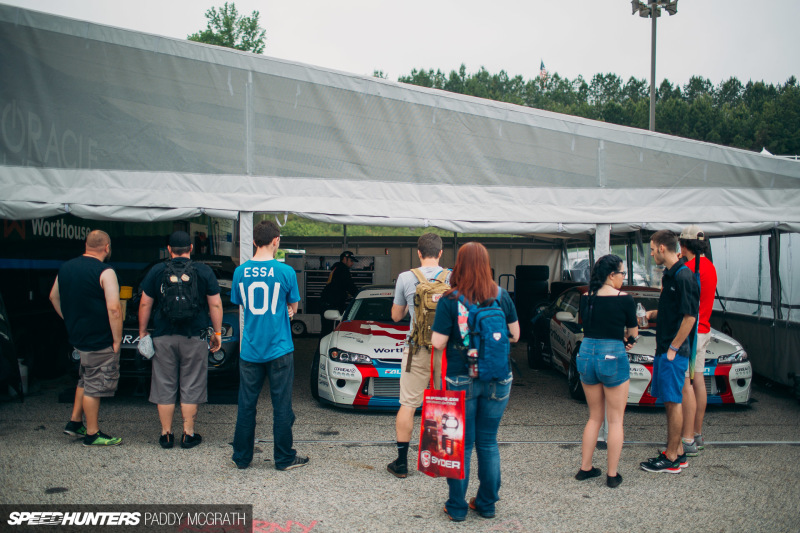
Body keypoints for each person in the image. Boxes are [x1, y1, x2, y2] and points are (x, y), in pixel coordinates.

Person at [431, 242, 520, 522]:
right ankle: (486, 504)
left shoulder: (450, 299)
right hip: (498, 378)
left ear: (459, 264)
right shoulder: (501, 295)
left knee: (460, 444)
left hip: (460, 379)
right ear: (485, 264)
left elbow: (437, 342)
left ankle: (456, 507)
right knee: (488, 443)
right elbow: (515, 335)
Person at [230, 220, 308, 471]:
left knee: (246, 405)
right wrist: (286, 311)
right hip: (279, 348)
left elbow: (241, 302)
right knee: (282, 406)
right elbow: (293, 308)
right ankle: (284, 458)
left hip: (250, 349)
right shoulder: (286, 272)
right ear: (276, 241)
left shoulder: (240, 271)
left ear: (254, 241)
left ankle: (242, 458)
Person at [138, 231, 223, 449]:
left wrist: (142, 332)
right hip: (195, 335)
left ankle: (166, 435)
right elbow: (215, 304)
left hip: (163, 336)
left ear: (169, 249)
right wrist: (217, 333)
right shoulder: (203, 271)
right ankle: (188, 433)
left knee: (164, 384)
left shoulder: (157, 270)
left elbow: (145, 304)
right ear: (191, 248)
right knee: (191, 383)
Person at [50, 230, 123, 446]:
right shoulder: (105, 271)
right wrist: (117, 339)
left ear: (86, 245)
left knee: (85, 377)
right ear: (107, 247)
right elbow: (114, 309)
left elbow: (53, 296)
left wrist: (69, 318)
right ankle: (92, 433)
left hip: (78, 335)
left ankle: (74, 421)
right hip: (99, 337)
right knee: (95, 384)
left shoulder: (66, 267)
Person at [387, 233, 450, 478]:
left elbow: (396, 316)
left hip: (416, 349)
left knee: (408, 404)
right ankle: (441, 459)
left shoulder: (406, 277)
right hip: (444, 351)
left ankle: (402, 463)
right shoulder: (452, 277)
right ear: (441, 253)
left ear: (419, 253)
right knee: (444, 402)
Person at [574, 255, 638, 488]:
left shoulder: (585, 297)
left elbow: (590, 326)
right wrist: (629, 340)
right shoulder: (625, 299)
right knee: (616, 420)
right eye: (622, 273)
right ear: (612, 275)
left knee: (594, 417)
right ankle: (612, 475)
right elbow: (633, 332)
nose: (623, 278)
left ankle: (585, 468)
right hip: (612, 355)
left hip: (588, 353)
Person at [640, 230, 700, 474]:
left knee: (673, 403)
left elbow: (690, 318)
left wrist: (674, 348)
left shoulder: (684, 277)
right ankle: (679, 453)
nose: (652, 253)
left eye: (653, 249)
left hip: (673, 351)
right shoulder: (670, 276)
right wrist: (651, 315)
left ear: (663, 248)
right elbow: (672, 311)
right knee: (669, 401)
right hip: (664, 348)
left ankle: (672, 457)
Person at [678, 225, 718, 456]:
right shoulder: (710, 267)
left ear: (683, 245)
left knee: (686, 385)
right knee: (699, 381)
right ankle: (698, 433)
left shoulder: (689, 269)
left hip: (691, 331)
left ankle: (687, 438)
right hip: (704, 328)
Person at [319, 250, 358, 337]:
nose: (352, 264)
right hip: (331, 305)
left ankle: (321, 350)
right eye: (351, 261)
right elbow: (350, 286)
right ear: (345, 259)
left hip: (326, 304)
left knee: (326, 332)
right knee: (329, 333)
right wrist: (359, 295)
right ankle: (324, 350)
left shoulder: (336, 268)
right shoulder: (343, 269)